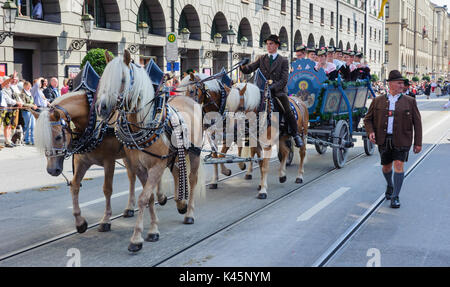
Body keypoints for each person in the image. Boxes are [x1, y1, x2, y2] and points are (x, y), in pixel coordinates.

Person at [364, 70, 422, 208]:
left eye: (403, 83)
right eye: (399, 83)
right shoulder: (378, 101)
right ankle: (390, 185)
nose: (402, 85)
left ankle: (395, 196)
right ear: (390, 84)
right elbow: (368, 119)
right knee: (386, 167)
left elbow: (417, 123)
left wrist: (418, 143)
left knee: (398, 165)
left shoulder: (410, 101)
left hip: (402, 139)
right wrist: (370, 132)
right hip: (384, 139)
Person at [240, 34, 303, 148]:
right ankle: (250, 134)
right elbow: (250, 69)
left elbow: (284, 80)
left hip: (278, 92)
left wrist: (272, 87)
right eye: (267, 44)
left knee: (287, 109)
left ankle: (295, 134)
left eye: (271, 44)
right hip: (262, 92)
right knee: (250, 108)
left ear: (276, 46)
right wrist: (243, 66)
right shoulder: (262, 58)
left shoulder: (283, 61)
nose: (268, 46)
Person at [1, 77, 23, 147]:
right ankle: (6, 140)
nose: (9, 83)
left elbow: (16, 96)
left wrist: (20, 103)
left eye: (9, 82)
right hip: (5, 110)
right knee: (6, 125)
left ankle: (9, 140)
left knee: (9, 125)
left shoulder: (11, 89)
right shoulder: (3, 90)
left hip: (11, 109)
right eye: (8, 82)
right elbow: (8, 100)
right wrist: (16, 102)